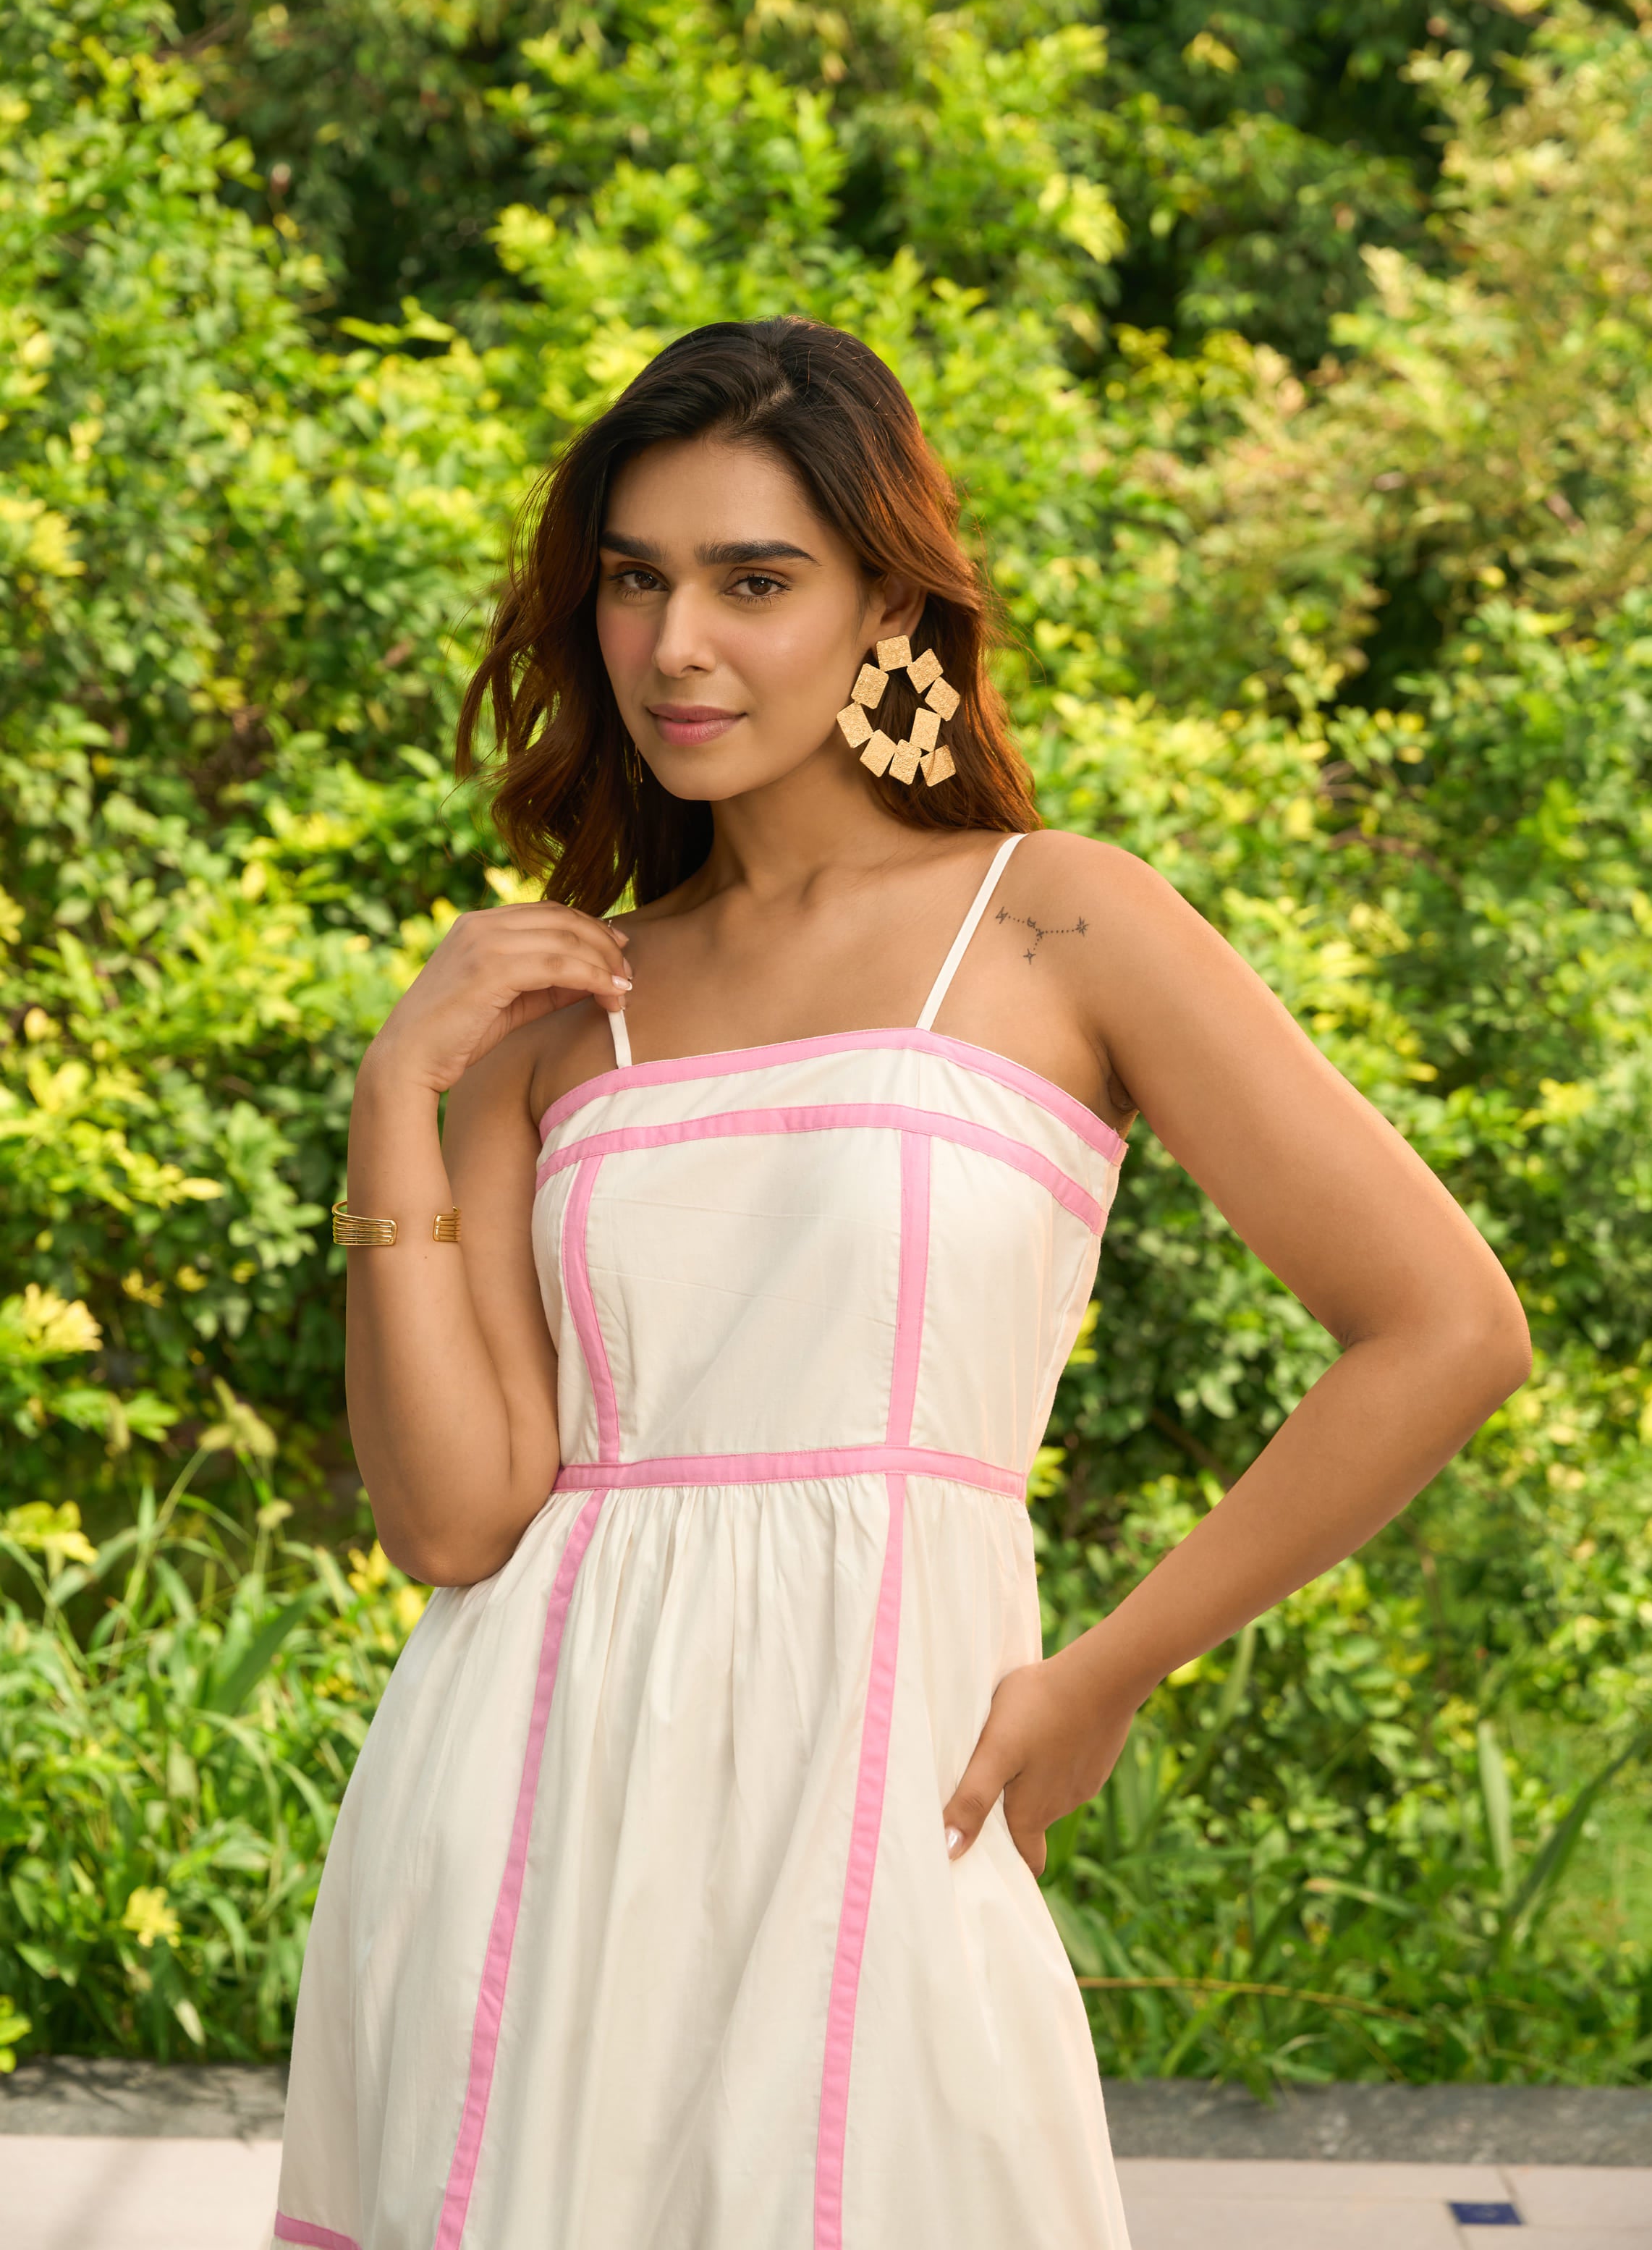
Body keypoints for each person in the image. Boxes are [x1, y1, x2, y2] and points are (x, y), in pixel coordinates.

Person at [270, 317, 1530, 2250]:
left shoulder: (1055, 918)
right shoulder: (555, 1013)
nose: (675, 645)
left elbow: (1444, 1328)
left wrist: (1105, 1674)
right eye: (633, 580)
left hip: (886, 1781)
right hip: (520, 1809)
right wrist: (396, 1091)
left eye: (752, 582)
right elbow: (458, 1522)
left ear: (886, 612)